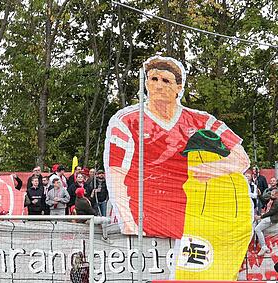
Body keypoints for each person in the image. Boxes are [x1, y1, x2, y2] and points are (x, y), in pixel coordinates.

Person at [105, 56, 248, 237]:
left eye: (166, 80)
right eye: (153, 79)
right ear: (146, 83)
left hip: (191, 217)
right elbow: (116, 174)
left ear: (178, 88)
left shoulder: (201, 121)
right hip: (143, 218)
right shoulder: (127, 121)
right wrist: (128, 223)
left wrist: (208, 170)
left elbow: (241, 159)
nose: (158, 85)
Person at [254, 189, 278, 256]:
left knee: (257, 229)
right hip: (267, 217)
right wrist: (259, 195)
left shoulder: (277, 202)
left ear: (277, 195)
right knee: (259, 229)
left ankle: (263, 247)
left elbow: (271, 212)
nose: (271, 196)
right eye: (271, 194)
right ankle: (265, 247)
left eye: (273, 195)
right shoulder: (271, 199)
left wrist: (260, 217)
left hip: (271, 218)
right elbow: (264, 201)